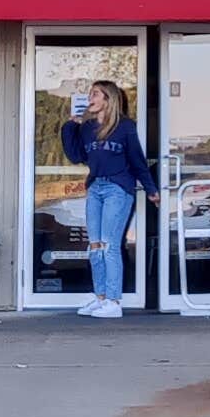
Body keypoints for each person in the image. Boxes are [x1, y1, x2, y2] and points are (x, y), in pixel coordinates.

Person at [58, 75, 156, 316]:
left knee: (109, 245)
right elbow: (76, 155)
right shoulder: (88, 128)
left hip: (118, 189)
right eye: (90, 94)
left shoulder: (125, 126)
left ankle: (113, 301)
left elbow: (137, 160)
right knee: (95, 246)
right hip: (95, 187)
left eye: (95, 94)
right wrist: (71, 125)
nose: (90, 98)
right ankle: (100, 297)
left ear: (108, 99)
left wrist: (151, 188)